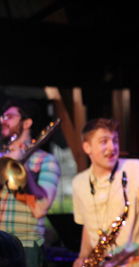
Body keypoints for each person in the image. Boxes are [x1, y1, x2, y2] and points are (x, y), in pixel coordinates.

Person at [72, 118, 139, 267]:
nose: (112, 147)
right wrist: (83, 256)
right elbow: (88, 226)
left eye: (115, 140)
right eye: (103, 141)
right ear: (87, 147)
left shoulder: (136, 169)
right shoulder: (79, 182)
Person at [0, 98, 61, 267]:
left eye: (9, 117)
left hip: (25, 245)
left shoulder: (46, 161)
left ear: (27, 123)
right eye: (2, 117)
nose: (3, 121)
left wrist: (22, 167)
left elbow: (41, 209)